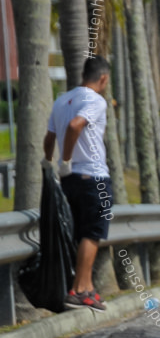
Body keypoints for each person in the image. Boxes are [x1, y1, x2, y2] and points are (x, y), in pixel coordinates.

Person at [44, 56, 113, 311]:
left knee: (81, 233)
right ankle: (80, 289)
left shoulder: (62, 99)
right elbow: (76, 126)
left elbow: (50, 136)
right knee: (93, 233)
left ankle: (88, 287)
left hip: (69, 180)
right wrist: (66, 159)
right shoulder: (95, 100)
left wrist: (48, 161)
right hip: (93, 176)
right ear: (103, 78)